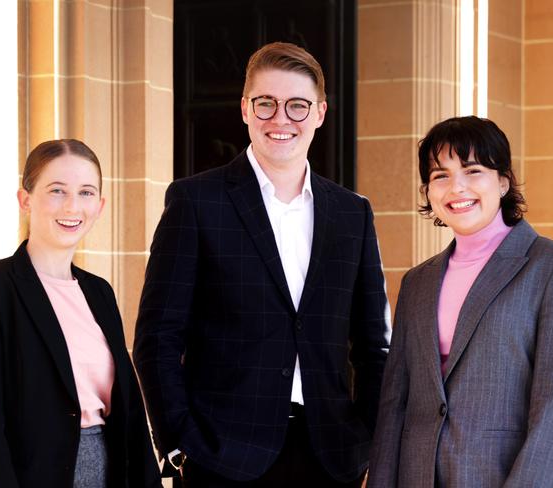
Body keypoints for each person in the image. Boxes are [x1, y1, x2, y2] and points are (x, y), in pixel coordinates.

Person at [134, 42, 390, 487]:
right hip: (221, 456)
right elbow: (157, 337)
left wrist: (367, 439)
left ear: (320, 114)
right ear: (245, 110)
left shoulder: (353, 213)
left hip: (331, 458)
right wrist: (178, 443)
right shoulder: (196, 201)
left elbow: (373, 345)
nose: (280, 119)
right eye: (266, 104)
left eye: (297, 106)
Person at [367, 116, 553, 487]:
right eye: (440, 175)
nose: (456, 188)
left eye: (473, 171)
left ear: (503, 181)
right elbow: (395, 403)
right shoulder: (417, 282)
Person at [0, 139, 161, 488]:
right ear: (25, 200)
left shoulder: (99, 292)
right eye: (57, 190)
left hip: (110, 471)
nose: (72, 206)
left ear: (100, 205)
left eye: (85, 193)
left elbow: (131, 412)